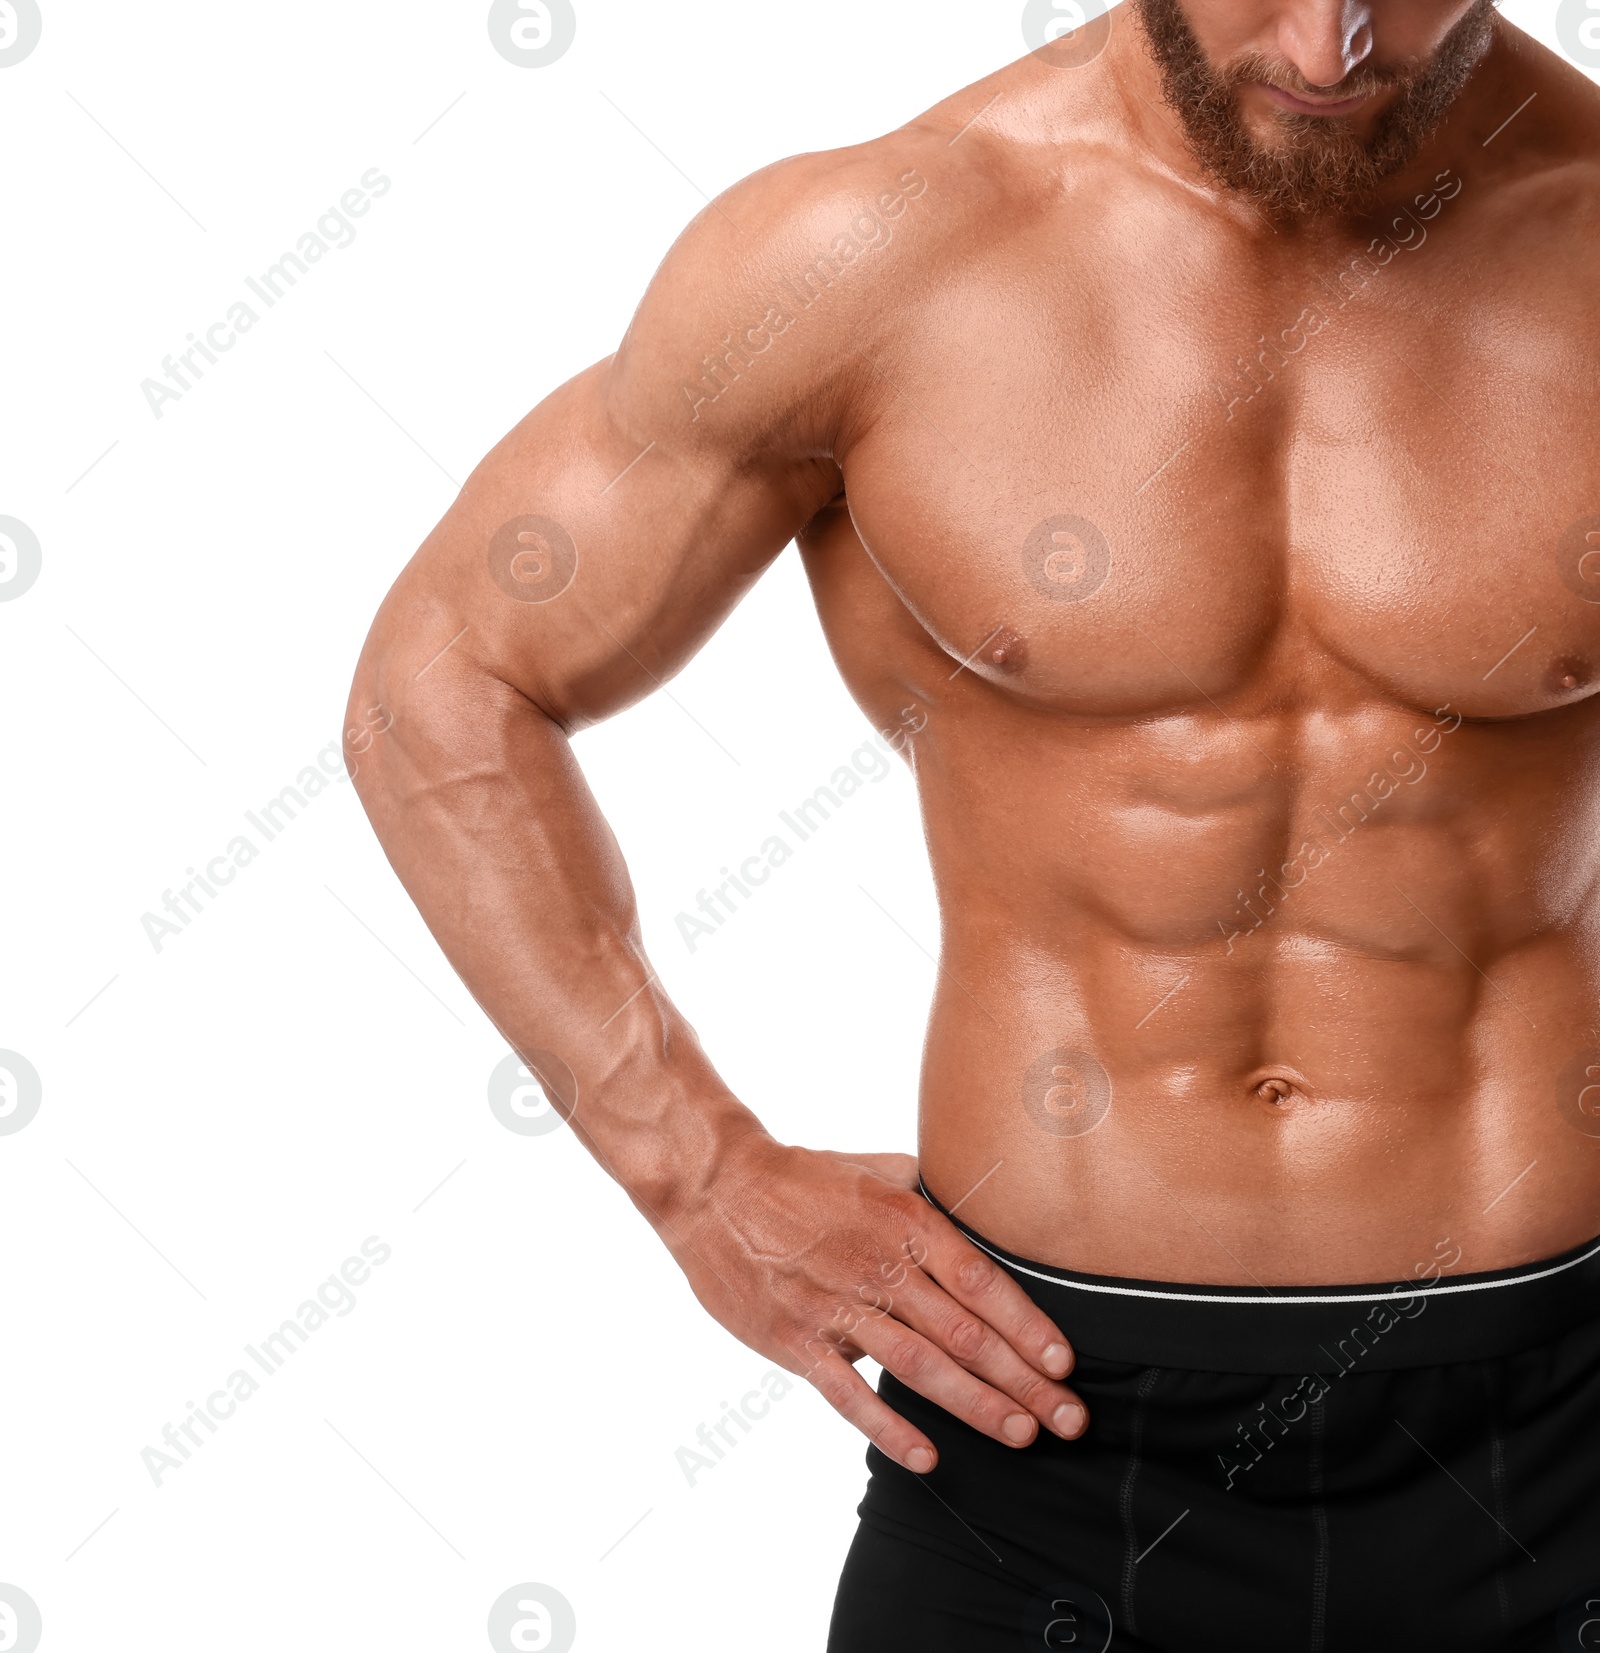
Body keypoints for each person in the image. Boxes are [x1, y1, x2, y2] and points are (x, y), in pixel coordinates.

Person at [344, 0, 1600, 1643]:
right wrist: (701, 1178)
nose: (1326, 45)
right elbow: (445, 680)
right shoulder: (878, 250)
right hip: (1042, 1428)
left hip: (1562, 1435)